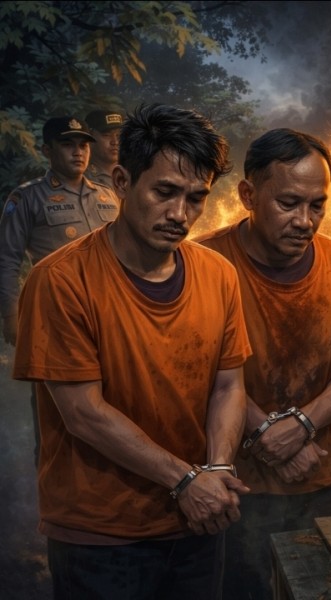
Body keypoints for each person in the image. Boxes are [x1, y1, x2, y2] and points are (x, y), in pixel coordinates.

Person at [12, 103, 252, 599]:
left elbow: (228, 385)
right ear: (122, 181)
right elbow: (83, 413)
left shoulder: (218, 275)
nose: (180, 214)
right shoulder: (60, 280)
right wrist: (187, 481)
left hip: (197, 521)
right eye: (164, 192)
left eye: (196, 198)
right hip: (100, 534)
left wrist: (220, 471)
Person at [195, 128, 331, 600]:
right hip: (237, 486)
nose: (305, 220)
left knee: (328, 589)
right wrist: (267, 435)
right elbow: (196, 372)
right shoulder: (202, 262)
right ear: (248, 194)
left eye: (317, 205)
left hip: (328, 478)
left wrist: (300, 426)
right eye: (288, 203)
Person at [0, 116, 119, 346]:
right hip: (58, 313)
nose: (78, 152)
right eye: (67, 145)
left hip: (111, 309)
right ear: (47, 150)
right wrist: (11, 316)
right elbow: (7, 260)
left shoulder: (109, 195)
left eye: (83, 145)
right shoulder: (27, 197)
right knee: (59, 380)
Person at [84, 108, 125, 187]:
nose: (115, 142)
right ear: (90, 137)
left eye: (119, 135)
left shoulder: (132, 172)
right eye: (107, 135)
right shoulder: (80, 177)